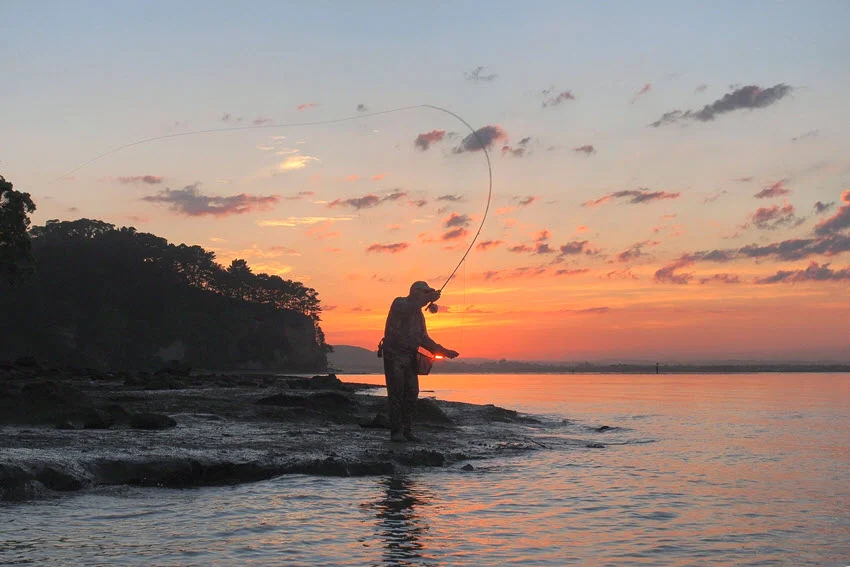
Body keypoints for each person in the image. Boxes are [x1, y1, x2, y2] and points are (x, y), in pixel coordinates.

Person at [380, 281, 459, 442]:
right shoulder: (400, 303)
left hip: (409, 357)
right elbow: (408, 308)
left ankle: (406, 431)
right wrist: (427, 299)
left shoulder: (419, 314)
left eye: (428, 292)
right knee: (396, 394)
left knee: (411, 393)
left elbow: (423, 339)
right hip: (393, 356)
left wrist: (444, 351)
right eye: (425, 292)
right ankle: (396, 433)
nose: (427, 295)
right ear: (415, 292)